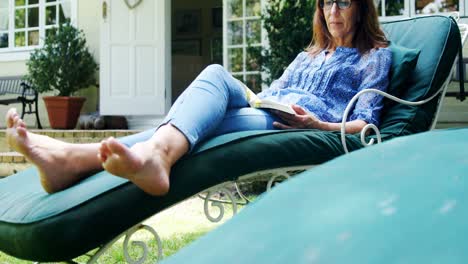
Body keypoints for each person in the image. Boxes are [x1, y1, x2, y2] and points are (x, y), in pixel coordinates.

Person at [5, 0, 391, 196]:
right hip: (268, 107)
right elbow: (273, 91)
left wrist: (318, 124)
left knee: (207, 124)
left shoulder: (374, 55)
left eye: (343, 1)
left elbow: (368, 121)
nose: (333, 11)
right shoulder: (308, 54)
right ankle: (148, 157)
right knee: (215, 75)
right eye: (326, 3)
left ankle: (73, 160)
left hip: (297, 123)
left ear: (362, 6)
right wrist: (261, 99)